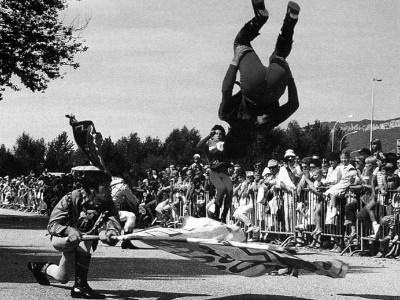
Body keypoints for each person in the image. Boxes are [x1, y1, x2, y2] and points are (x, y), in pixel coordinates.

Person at [219, 0, 300, 159]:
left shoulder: (264, 128)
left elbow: (293, 104)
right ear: (228, 137)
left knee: (279, 56)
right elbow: (226, 90)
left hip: (274, 88)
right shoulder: (225, 115)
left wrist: (289, 78)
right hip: (251, 85)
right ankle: (260, 16)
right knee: (241, 42)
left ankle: (291, 19)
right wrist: (235, 61)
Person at [27, 171, 121, 299]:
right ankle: (80, 286)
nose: (110, 189)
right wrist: (68, 230)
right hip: (62, 239)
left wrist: (109, 233)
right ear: (92, 189)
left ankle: (39, 267)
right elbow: (52, 225)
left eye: (109, 186)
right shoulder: (71, 198)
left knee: (62, 277)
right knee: (83, 240)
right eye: (105, 186)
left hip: (83, 240)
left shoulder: (109, 203)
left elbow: (113, 224)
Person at [197, 125, 233, 222]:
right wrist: (209, 135)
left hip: (224, 173)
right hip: (214, 173)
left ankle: (224, 216)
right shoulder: (209, 144)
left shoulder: (225, 144)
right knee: (221, 188)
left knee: (229, 191)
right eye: (216, 133)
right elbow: (198, 146)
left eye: (220, 134)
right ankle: (216, 213)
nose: (218, 135)